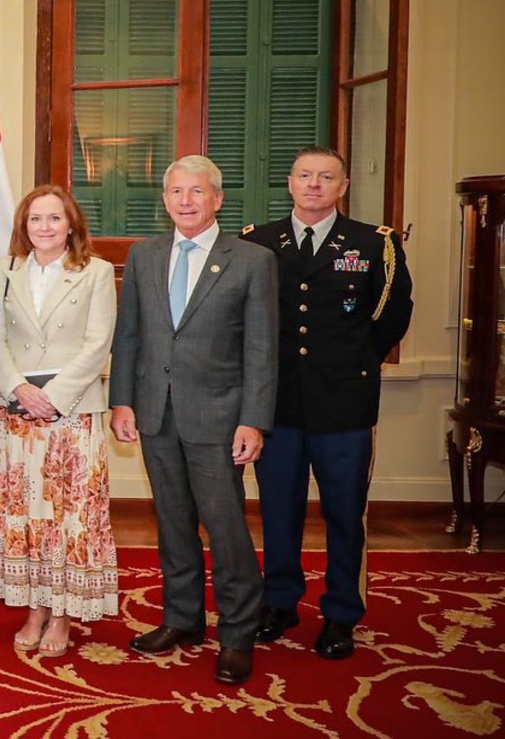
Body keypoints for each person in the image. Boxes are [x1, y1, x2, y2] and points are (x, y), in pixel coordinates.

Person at [108, 155, 277, 686]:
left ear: (217, 199)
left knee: (225, 529)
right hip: (155, 414)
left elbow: (262, 349)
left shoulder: (251, 260)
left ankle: (237, 634)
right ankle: (181, 620)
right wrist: (122, 401)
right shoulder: (144, 256)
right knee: (173, 524)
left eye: (196, 192)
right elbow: (129, 335)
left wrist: (254, 420)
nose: (185, 200)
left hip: (221, 419)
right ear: (165, 199)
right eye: (176, 191)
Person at [241, 146, 414, 660]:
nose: (314, 185)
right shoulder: (258, 242)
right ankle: (280, 602)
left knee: (343, 514)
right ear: (289, 184)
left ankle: (340, 613)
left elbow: (391, 315)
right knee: (278, 510)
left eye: (326, 177)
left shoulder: (373, 243)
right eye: (304, 176)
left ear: (342, 186)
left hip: (344, 404)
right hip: (278, 406)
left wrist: (349, 362)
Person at [0, 185, 119, 658]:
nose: (45, 227)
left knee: (67, 515)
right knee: (24, 512)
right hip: (16, 413)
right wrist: (19, 389)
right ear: (24, 225)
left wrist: (52, 398)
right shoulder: (4, 270)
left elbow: (98, 343)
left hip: (71, 414)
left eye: (54, 218)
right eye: (36, 219)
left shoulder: (94, 272)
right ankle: (33, 607)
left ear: (71, 225)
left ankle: (62, 614)